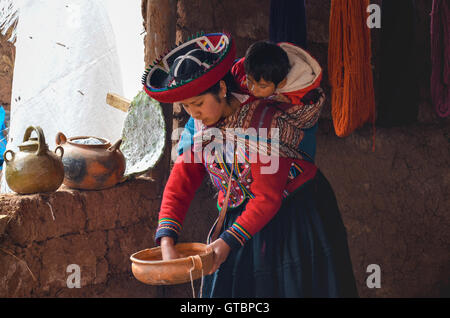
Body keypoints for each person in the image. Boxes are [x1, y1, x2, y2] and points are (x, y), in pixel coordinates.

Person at [142, 32, 358, 297]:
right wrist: (167, 239)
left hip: (294, 212)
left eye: (198, 103)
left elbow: (267, 197)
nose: (193, 112)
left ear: (222, 89)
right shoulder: (198, 125)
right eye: (186, 106)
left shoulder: (262, 123)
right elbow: (181, 180)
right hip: (241, 212)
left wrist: (228, 240)